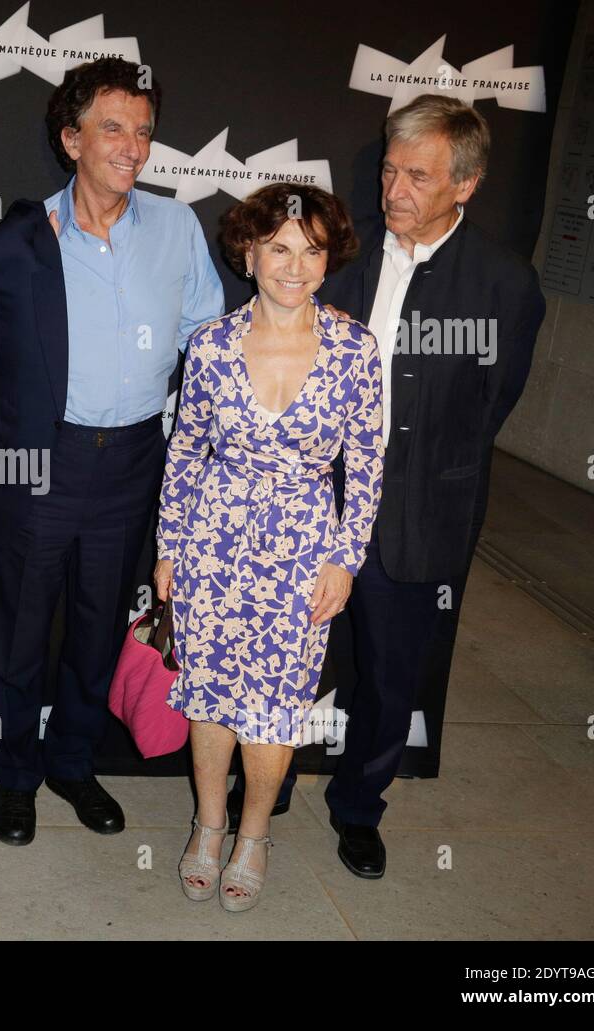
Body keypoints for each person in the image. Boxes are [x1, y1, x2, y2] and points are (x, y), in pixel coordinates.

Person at [239, 93, 545, 879]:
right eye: (388, 169)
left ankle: (358, 808)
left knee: (387, 673)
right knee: (282, 655)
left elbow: (490, 406)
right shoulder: (340, 257)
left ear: (465, 186)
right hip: (312, 504)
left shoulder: (504, 286)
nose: (394, 189)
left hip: (418, 516)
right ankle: (262, 786)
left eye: (417, 175)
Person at [0, 57, 224, 845]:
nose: (134, 146)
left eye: (144, 131)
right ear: (71, 138)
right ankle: (15, 773)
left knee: (98, 624)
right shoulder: (19, 241)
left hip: (135, 461)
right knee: (19, 625)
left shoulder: (177, 228)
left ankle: (74, 762)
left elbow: (207, 345)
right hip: (43, 462)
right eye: (114, 128)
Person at [155, 183, 383, 910]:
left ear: (329, 259)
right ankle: (209, 824)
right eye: (279, 247)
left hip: (303, 548)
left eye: (312, 250)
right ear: (248, 253)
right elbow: (185, 452)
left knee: (277, 706)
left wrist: (346, 557)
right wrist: (169, 547)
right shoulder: (212, 345)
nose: (295, 265)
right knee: (211, 698)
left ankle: (254, 832)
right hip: (213, 538)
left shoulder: (355, 348)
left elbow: (369, 464)